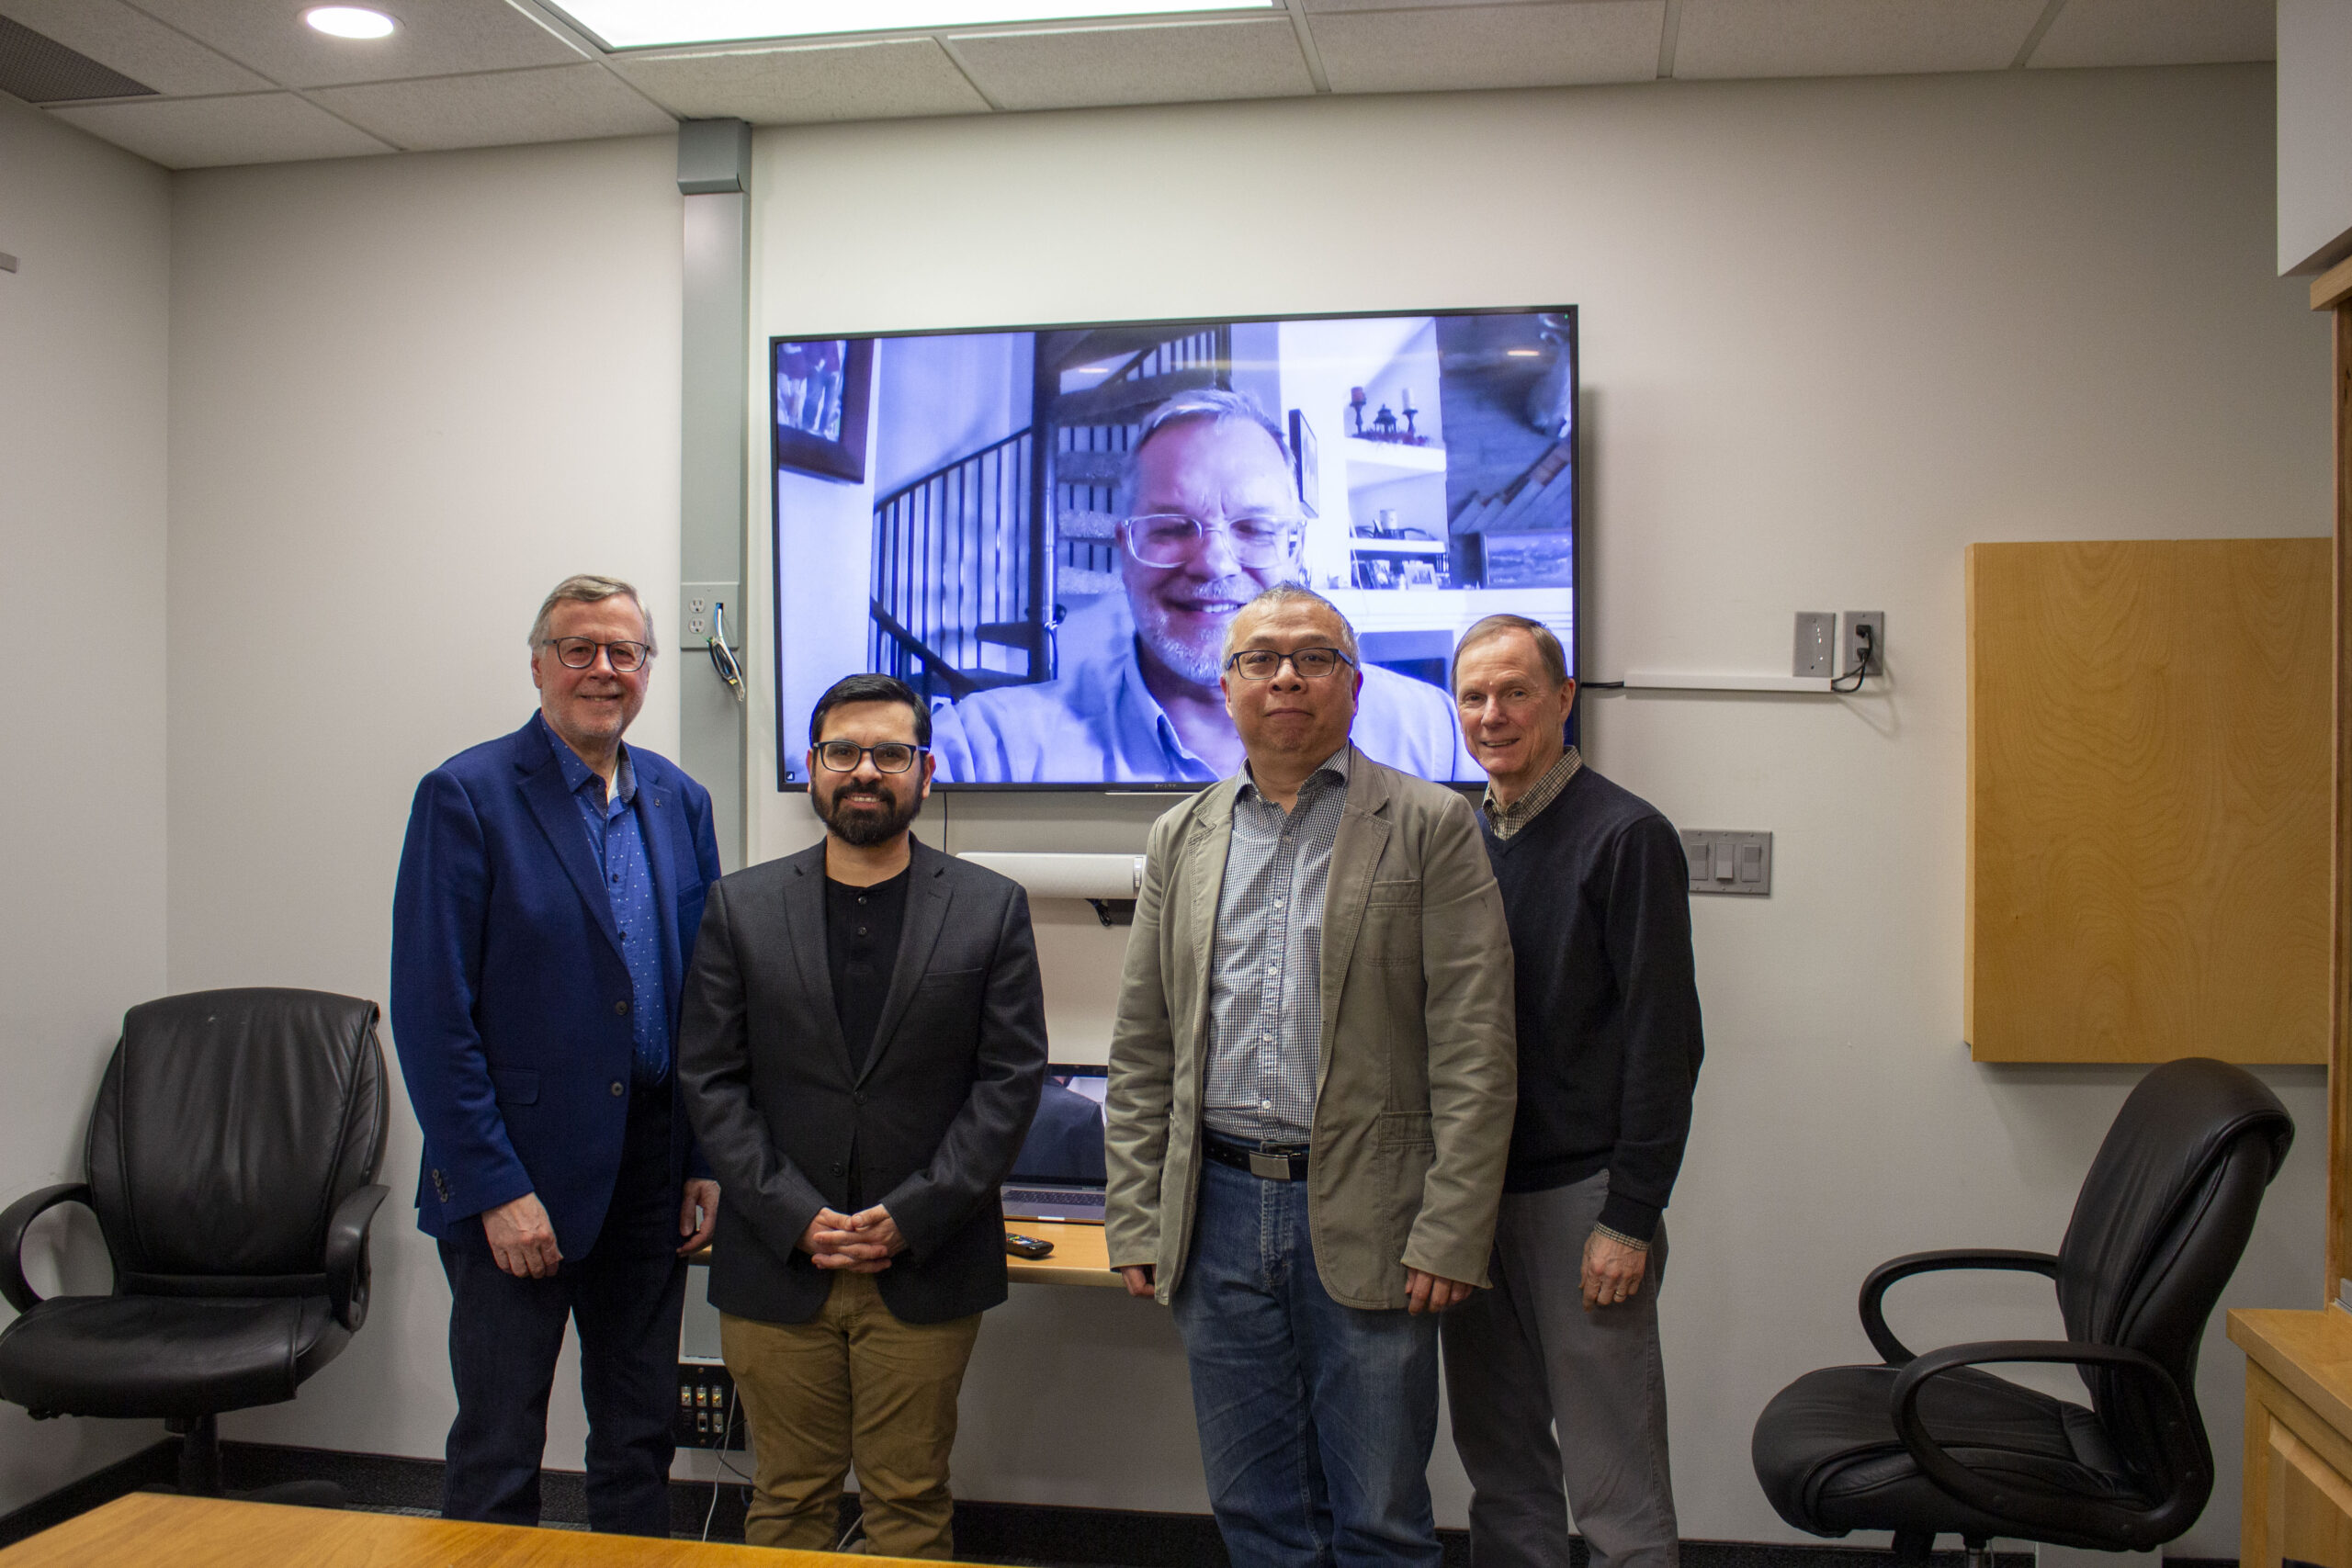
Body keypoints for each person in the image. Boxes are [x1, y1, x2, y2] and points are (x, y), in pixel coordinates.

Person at [1102, 583, 1518, 1568]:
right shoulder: (1182, 835)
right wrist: (1136, 1213)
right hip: (1215, 1212)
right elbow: (1145, 1044)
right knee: (1256, 1514)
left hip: (1375, 1209)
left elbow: (1476, 1043)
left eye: (1314, 657)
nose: (1285, 676)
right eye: (1260, 658)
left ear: (1354, 685)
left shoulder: (1430, 823)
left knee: (1380, 1521)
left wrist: (1452, 1229)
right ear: (1228, 686)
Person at [677, 672, 1047, 1560]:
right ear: (813, 766)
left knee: (910, 1502)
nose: (865, 770)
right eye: (843, 751)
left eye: (890, 752)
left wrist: (913, 1213)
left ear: (926, 769)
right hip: (778, 1260)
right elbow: (711, 1079)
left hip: (925, 1261)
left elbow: (1008, 1083)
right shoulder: (740, 906)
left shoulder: (991, 906)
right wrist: (792, 1212)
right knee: (786, 1498)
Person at [390, 573, 723, 1535]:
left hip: (650, 1173)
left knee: (639, 1439)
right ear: (539, 666)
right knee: (499, 1445)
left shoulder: (680, 800)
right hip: (517, 1175)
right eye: (579, 649)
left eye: (624, 651)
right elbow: (432, 1014)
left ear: (647, 669)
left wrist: (700, 1157)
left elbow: (707, 996)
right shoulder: (467, 795)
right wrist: (494, 1186)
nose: (602, 669)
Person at [1440, 614, 1703, 1568]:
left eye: (1515, 692)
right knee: (1501, 1466)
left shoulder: (1626, 836)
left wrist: (1629, 1217)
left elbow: (1666, 1044)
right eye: (1474, 696)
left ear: (1562, 698)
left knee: (1613, 1485)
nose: (1493, 714)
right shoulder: (1456, 836)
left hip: (1581, 1206)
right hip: (1470, 1200)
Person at [929, 389, 1473, 784]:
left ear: (1296, 550)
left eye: (1253, 528)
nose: (1214, 564)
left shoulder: (1433, 738)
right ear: (1124, 551)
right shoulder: (986, 752)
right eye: (1169, 527)